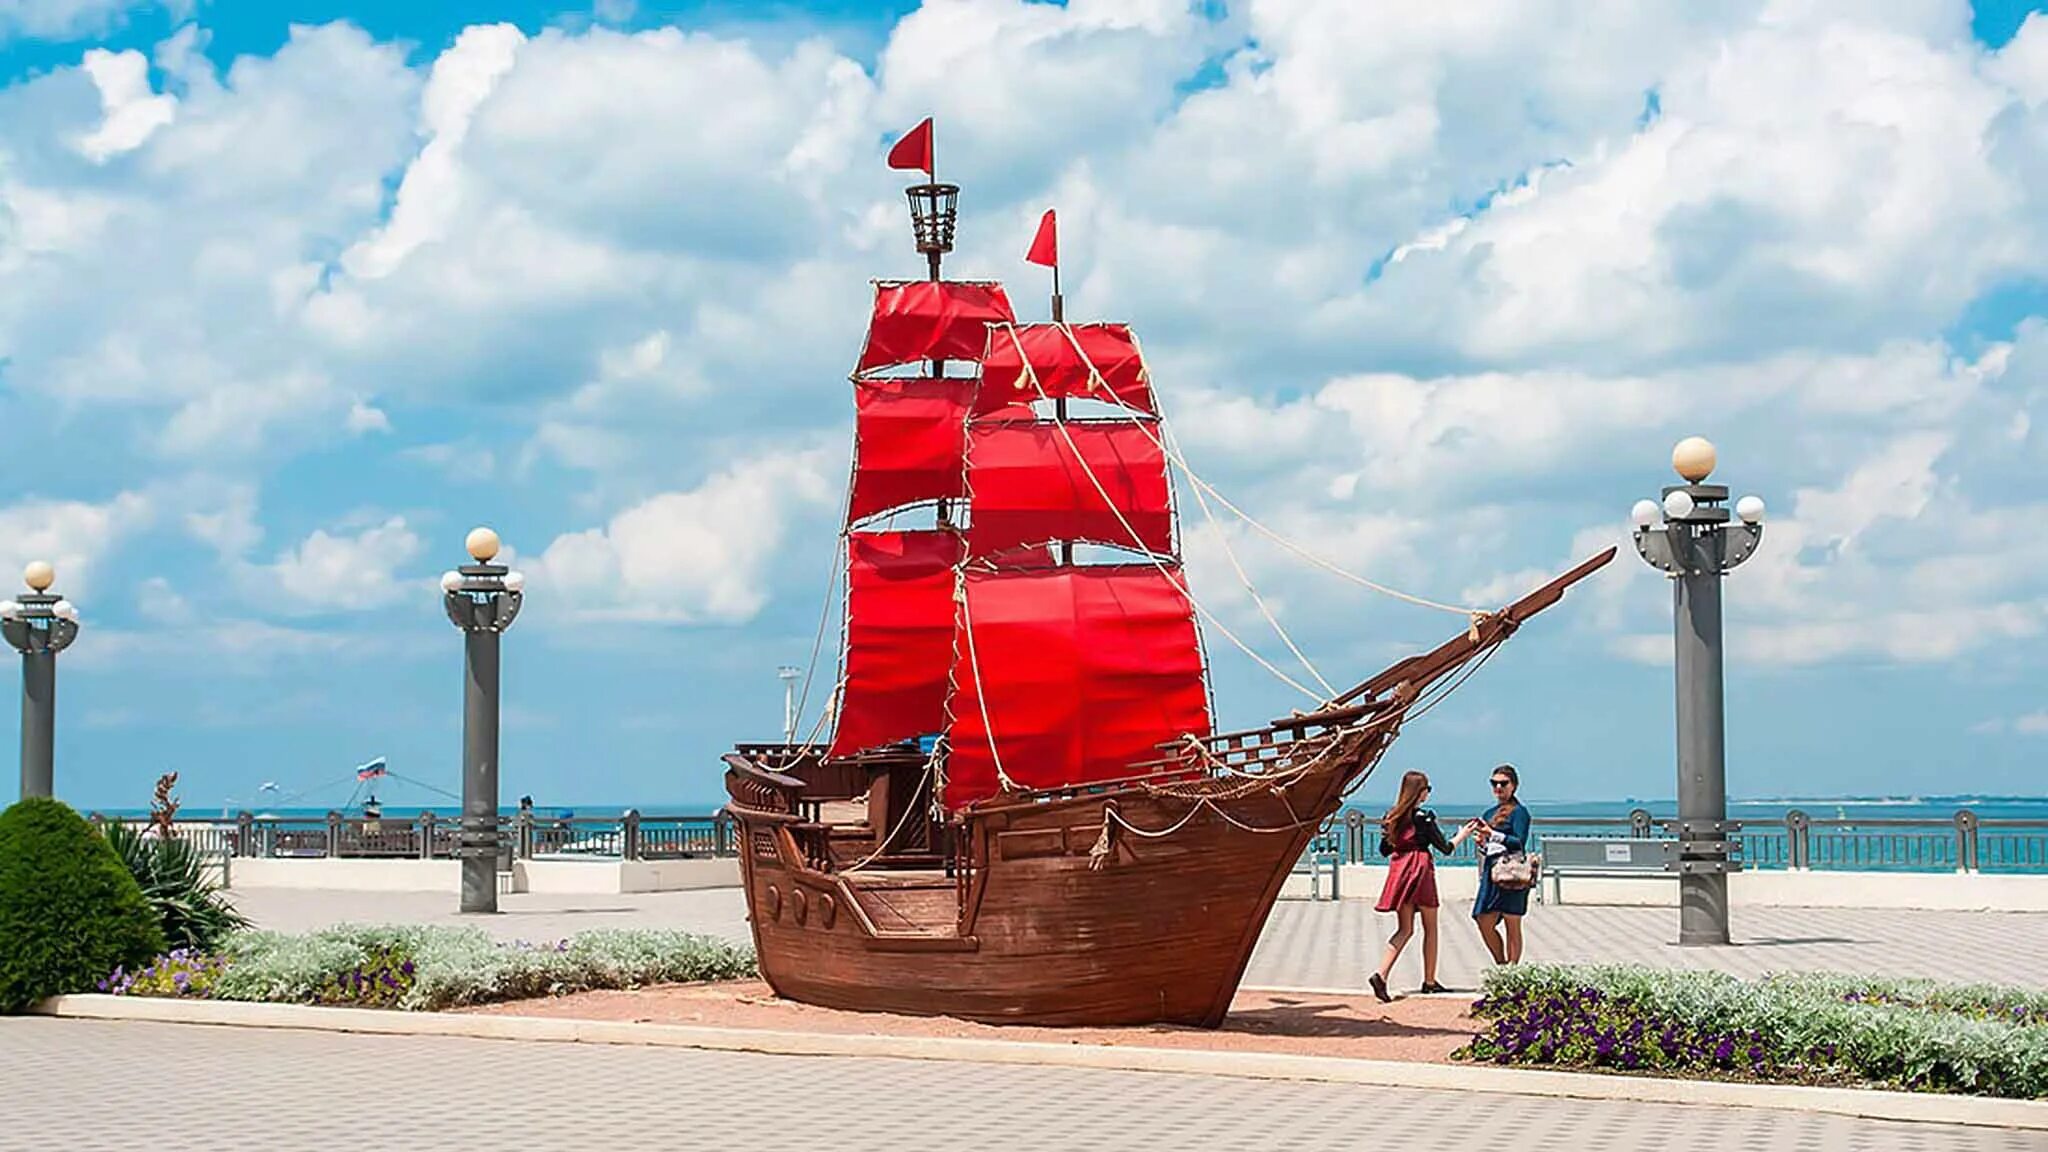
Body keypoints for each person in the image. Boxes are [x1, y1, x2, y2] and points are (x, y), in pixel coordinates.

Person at [1369, 770, 1456, 1001]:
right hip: (1420, 870)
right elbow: (1445, 848)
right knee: (1431, 927)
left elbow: (1384, 849)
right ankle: (1429, 980)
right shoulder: (1423, 818)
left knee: (1405, 929)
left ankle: (1381, 973)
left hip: (1400, 871)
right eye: (1427, 789)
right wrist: (1462, 834)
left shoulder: (1393, 817)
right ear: (1420, 792)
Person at [1464, 763, 1533, 965]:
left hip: (1512, 871)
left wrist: (1493, 834)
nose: (1498, 788)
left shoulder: (1520, 812)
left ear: (1514, 785)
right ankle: (1501, 965)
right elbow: (1490, 846)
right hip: (1491, 871)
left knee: (1513, 922)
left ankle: (1511, 970)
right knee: (1483, 919)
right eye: (1494, 783)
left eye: (1503, 783)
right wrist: (1483, 842)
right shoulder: (1489, 813)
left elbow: (1519, 841)